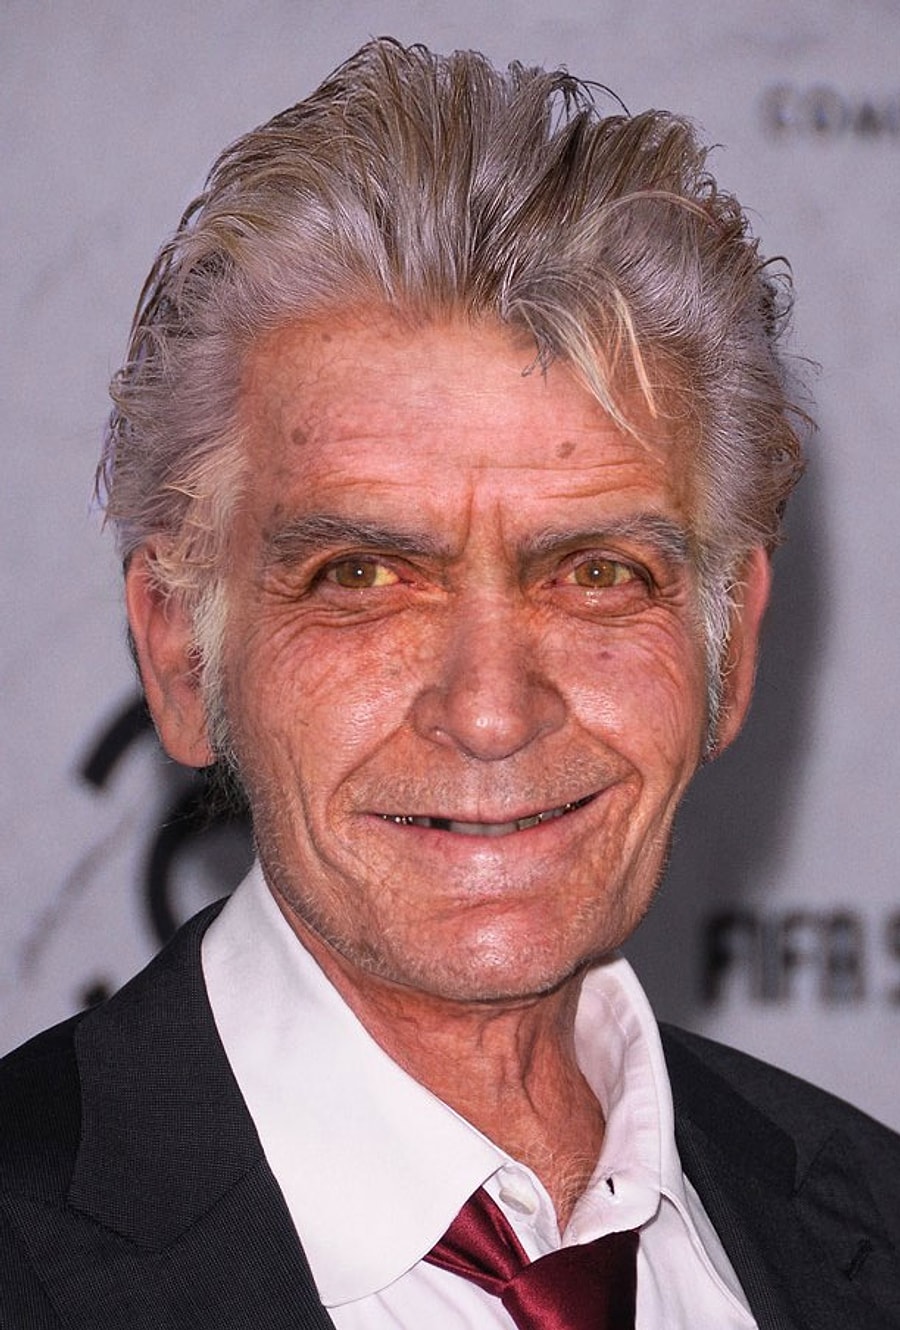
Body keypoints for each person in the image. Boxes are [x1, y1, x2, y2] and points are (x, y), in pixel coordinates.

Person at [2, 37, 898, 1330]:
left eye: (598, 573)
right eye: (364, 576)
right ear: (183, 653)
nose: (489, 711)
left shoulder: (868, 1221)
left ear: (730, 644)